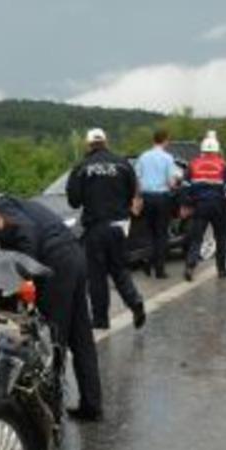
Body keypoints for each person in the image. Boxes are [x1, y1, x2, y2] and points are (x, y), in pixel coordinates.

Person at [0, 185, 104, 422]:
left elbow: (27, 235)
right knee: (81, 336)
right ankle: (92, 404)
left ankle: (51, 411)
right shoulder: (13, 204)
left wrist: (25, 277)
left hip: (55, 264)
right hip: (74, 256)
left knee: (54, 340)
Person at [67, 128, 146, 330]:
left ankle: (101, 319)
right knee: (119, 269)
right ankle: (135, 302)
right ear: (106, 141)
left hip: (95, 227)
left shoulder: (81, 166)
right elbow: (133, 193)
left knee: (97, 275)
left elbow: (74, 202)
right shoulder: (123, 163)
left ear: (88, 144)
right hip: (119, 226)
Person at [183, 131, 226, 281]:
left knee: (196, 239)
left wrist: (186, 204)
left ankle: (190, 266)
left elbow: (186, 187)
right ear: (216, 150)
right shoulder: (223, 165)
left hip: (200, 206)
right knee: (221, 238)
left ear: (202, 150)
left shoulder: (193, 164)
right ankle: (221, 270)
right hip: (219, 207)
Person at [135, 129, 179, 278]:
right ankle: (159, 270)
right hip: (162, 198)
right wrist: (176, 185)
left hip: (146, 198)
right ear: (165, 140)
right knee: (161, 234)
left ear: (153, 140)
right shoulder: (168, 158)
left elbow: (137, 179)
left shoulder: (143, 156)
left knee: (149, 233)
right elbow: (171, 182)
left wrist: (139, 196)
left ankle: (147, 263)